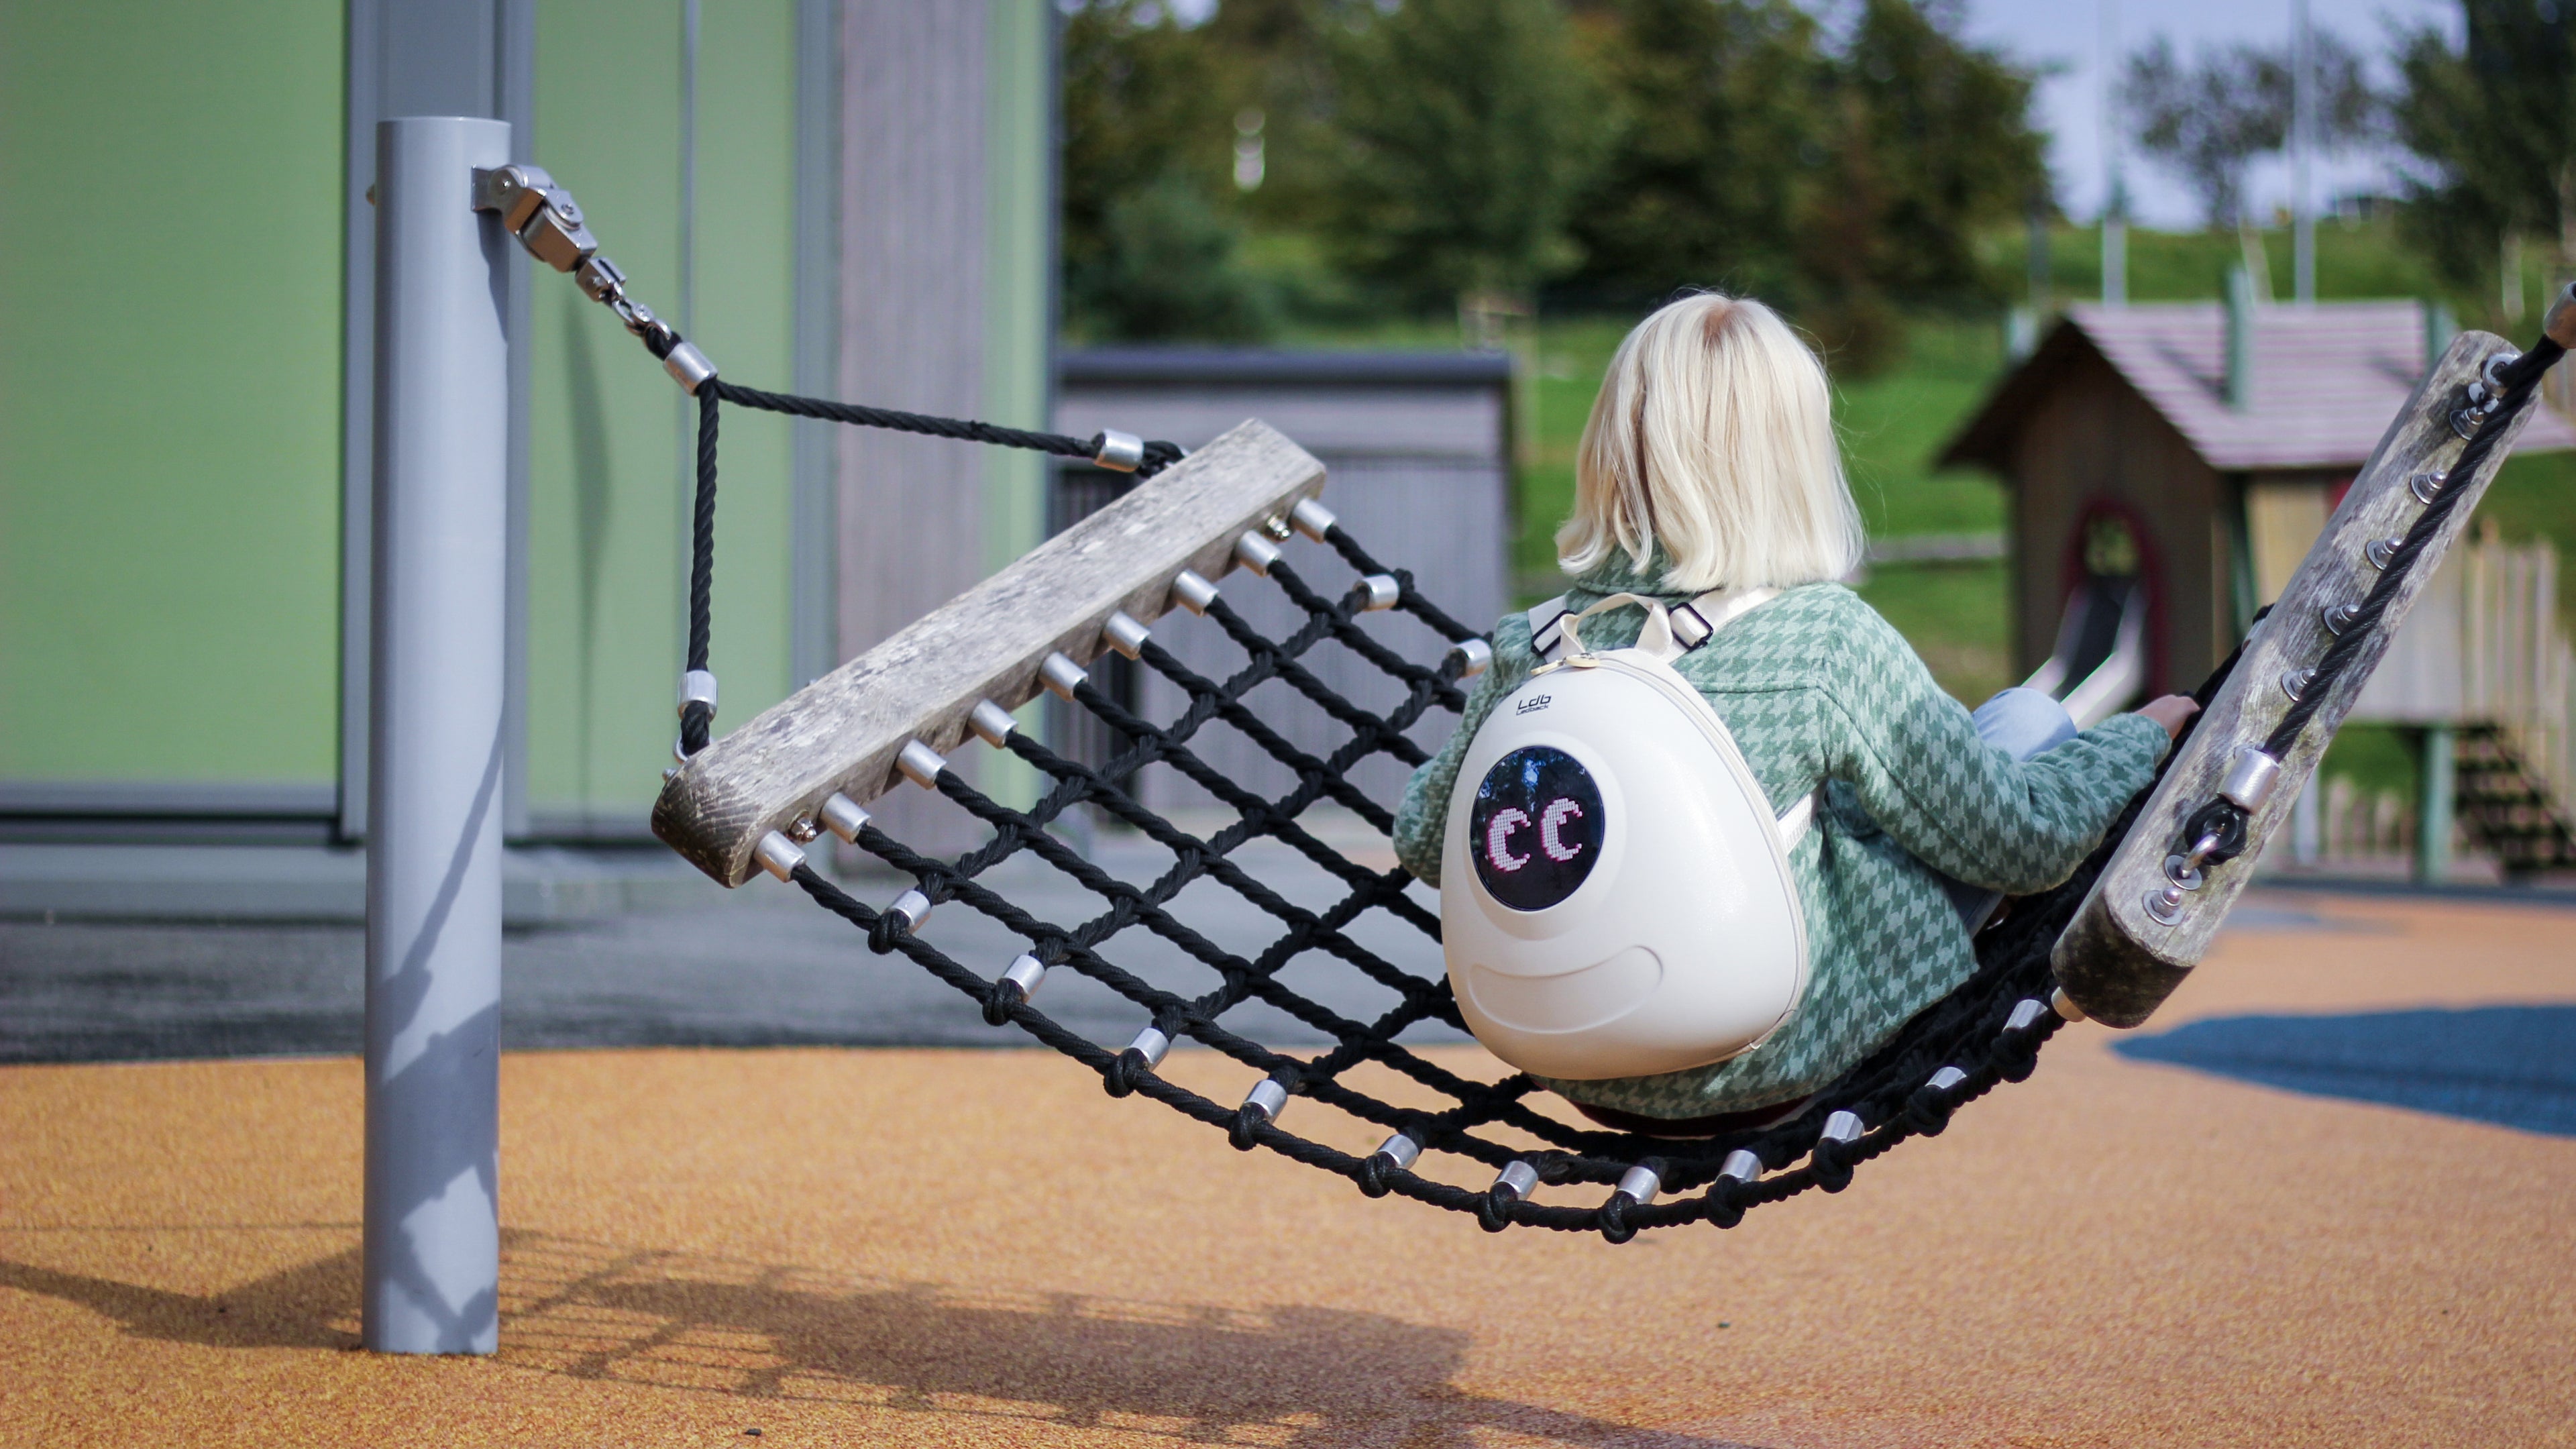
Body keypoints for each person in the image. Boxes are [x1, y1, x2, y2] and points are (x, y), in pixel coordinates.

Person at [1391, 292, 2198, 1134]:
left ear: (1615, 447)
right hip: (1777, 1054)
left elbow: (1424, 836)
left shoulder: (1536, 644)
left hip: (1578, 1064)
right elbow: (2024, 846)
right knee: (2028, 723)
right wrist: (2140, 742)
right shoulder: (1821, 639)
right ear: (1792, 457)